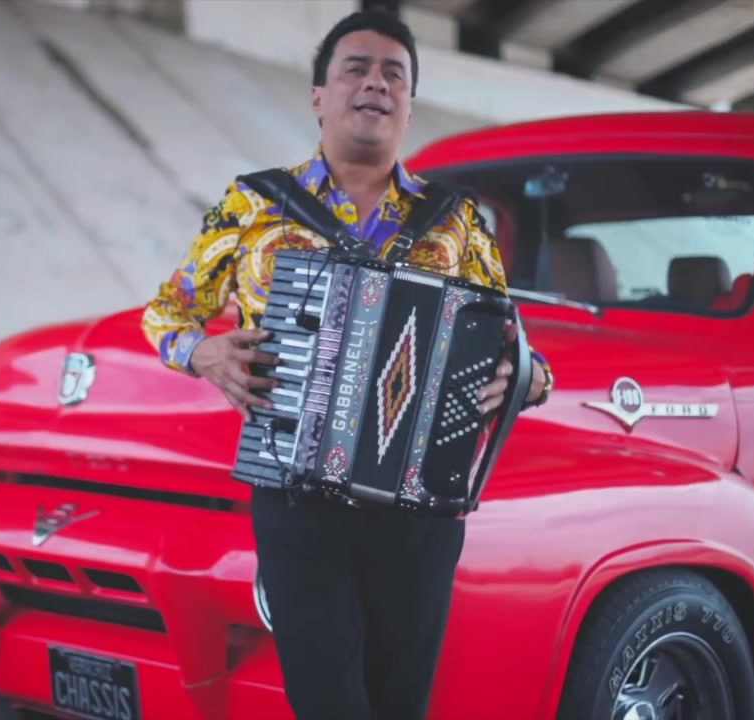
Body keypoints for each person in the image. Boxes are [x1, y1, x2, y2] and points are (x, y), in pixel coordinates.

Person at [140, 9, 553, 719]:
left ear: (409, 104)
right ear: (319, 96)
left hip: (420, 514)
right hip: (298, 504)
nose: (376, 83)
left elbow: (522, 353)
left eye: (395, 74)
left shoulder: (457, 221)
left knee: (400, 706)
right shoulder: (253, 203)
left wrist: (522, 378)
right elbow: (165, 313)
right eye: (356, 68)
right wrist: (202, 351)